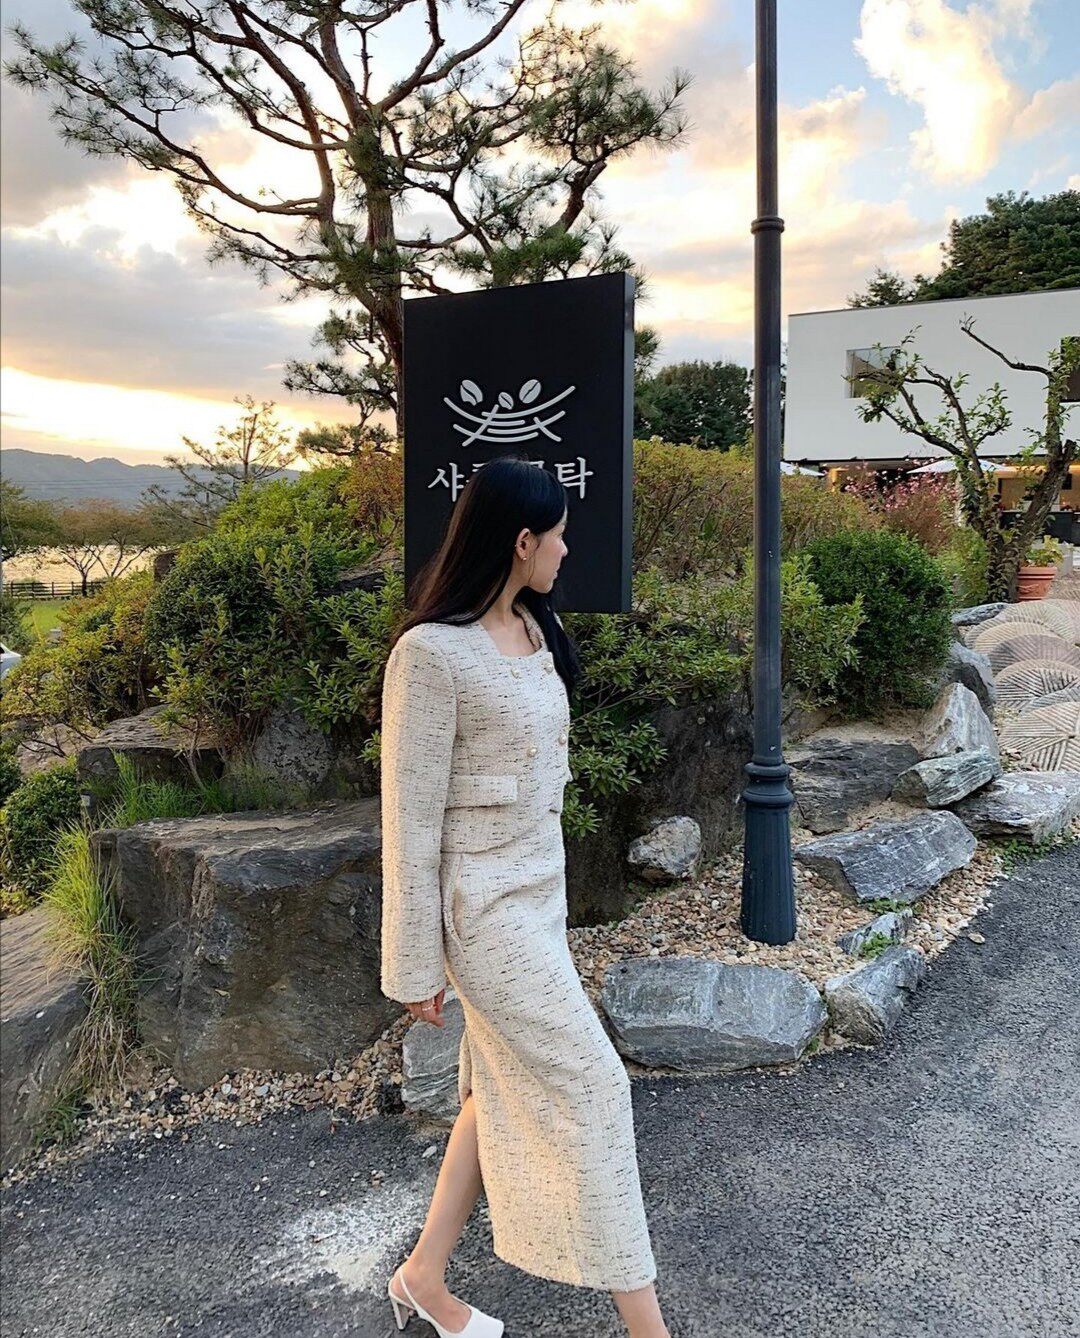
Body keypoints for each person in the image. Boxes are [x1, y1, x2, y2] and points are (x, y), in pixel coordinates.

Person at [380, 455, 669, 1338]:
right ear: (520, 541)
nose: (567, 550)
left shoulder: (536, 631)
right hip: (482, 915)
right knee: (596, 1084)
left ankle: (423, 1278)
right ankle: (649, 1331)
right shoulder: (430, 655)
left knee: (495, 1087)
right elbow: (409, 817)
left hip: (539, 899)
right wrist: (413, 963)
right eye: (558, 536)